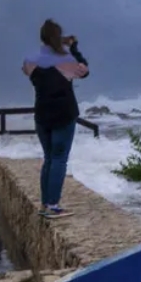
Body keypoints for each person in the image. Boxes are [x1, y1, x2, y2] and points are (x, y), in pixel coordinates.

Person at [21, 19, 90, 219]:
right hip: (64, 114)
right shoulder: (66, 60)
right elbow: (84, 70)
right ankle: (53, 205)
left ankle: (45, 204)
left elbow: (25, 71)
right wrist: (74, 47)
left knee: (49, 159)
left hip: (42, 114)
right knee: (59, 159)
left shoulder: (30, 60)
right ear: (57, 37)